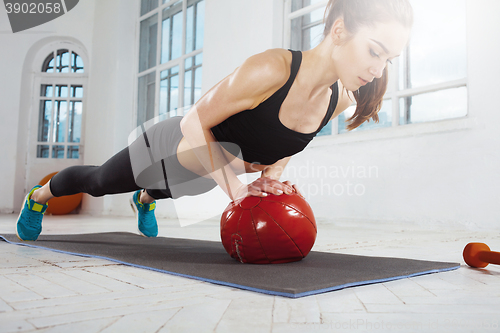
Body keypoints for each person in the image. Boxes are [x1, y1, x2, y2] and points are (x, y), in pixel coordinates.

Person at [16, 0, 413, 241]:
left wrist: (270, 176)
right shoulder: (272, 69)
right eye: (375, 52)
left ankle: (146, 201)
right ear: (340, 30)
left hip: (205, 174)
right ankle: (38, 197)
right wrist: (238, 189)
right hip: (170, 148)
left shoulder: (339, 98)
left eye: (387, 61)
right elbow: (193, 122)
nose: (378, 71)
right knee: (101, 181)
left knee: (173, 190)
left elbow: (290, 139)